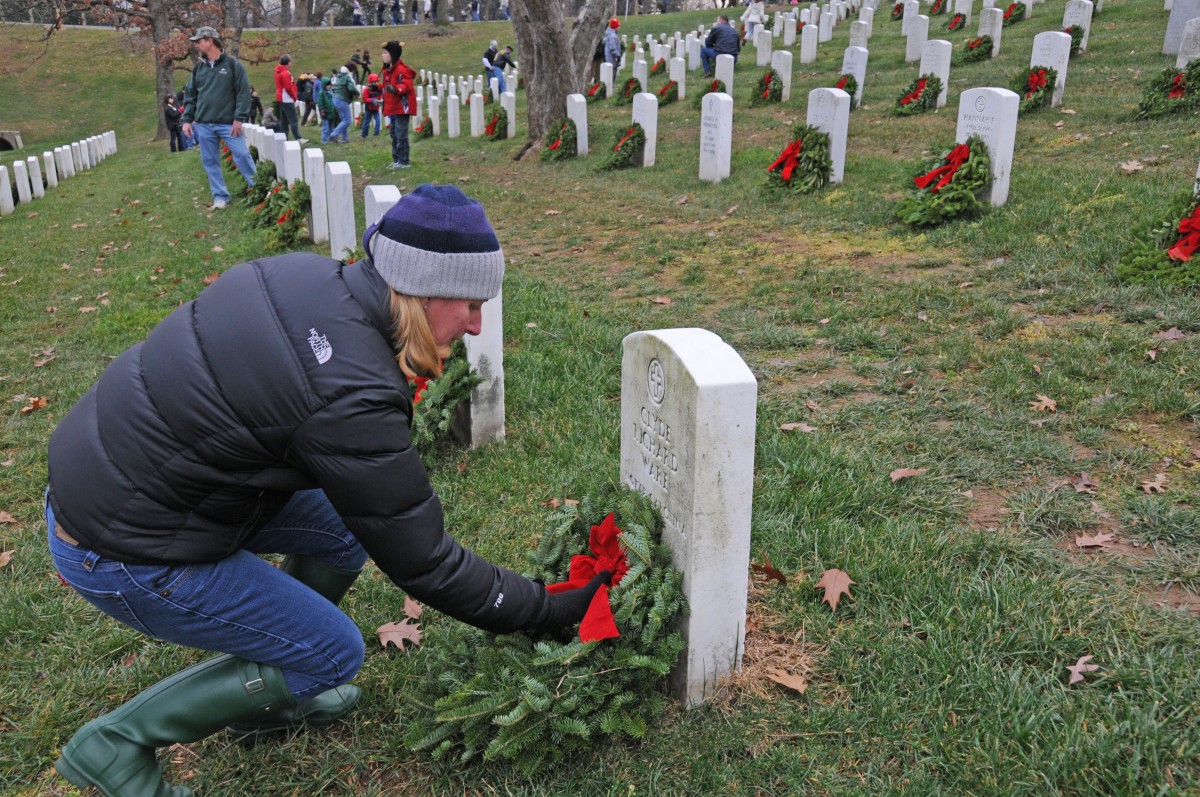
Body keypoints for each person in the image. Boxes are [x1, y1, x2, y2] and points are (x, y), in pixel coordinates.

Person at [46, 184, 613, 797]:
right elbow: (424, 561)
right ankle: (118, 743)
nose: (476, 324)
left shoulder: (310, 278)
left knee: (341, 528)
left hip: (131, 486)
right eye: (470, 303)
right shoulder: (352, 390)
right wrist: (548, 608)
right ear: (421, 288)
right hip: (119, 546)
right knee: (333, 651)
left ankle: (269, 701)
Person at [181, 26, 255, 210]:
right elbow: (190, 96)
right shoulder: (198, 68)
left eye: (199, 41)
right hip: (204, 125)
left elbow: (243, 93)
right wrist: (187, 120)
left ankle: (258, 188)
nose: (197, 45)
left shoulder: (232, 65)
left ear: (210, 41)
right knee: (210, 161)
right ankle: (221, 197)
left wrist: (239, 118)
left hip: (229, 124)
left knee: (242, 155)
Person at [380, 40, 415, 169]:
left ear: (393, 55)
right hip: (393, 108)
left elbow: (407, 86)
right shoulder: (388, 70)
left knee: (401, 135)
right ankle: (396, 160)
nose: (382, 56)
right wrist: (377, 88)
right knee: (394, 135)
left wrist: (396, 89)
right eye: (382, 53)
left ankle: (404, 161)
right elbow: (386, 87)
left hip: (402, 108)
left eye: (385, 53)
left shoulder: (401, 70)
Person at [273, 54, 303, 141]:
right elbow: (288, 87)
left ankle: (283, 138)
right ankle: (298, 137)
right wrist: (294, 97)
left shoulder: (278, 71)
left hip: (281, 97)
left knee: (284, 120)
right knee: (293, 119)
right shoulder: (285, 73)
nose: (291, 63)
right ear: (288, 62)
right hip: (287, 98)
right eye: (290, 62)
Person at [329, 64, 358, 144]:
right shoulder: (348, 76)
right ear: (351, 70)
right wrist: (357, 92)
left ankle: (345, 139)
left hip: (335, 98)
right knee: (348, 120)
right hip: (342, 99)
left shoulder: (340, 75)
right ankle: (333, 134)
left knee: (343, 119)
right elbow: (352, 87)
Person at [316, 75, 339, 143]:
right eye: (327, 85)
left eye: (330, 85)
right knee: (326, 127)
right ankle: (324, 140)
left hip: (331, 112)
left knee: (331, 126)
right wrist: (322, 110)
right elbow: (320, 102)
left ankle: (331, 138)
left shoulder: (331, 92)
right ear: (324, 85)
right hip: (325, 112)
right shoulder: (322, 93)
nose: (329, 86)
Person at [360, 73, 383, 137]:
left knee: (378, 120)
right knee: (367, 122)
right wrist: (371, 100)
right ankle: (364, 134)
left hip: (376, 108)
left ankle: (376, 133)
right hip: (369, 108)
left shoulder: (378, 89)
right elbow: (364, 98)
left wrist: (380, 100)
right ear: (370, 82)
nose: (376, 83)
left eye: (377, 82)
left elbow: (381, 95)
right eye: (374, 82)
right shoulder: (367, 89)